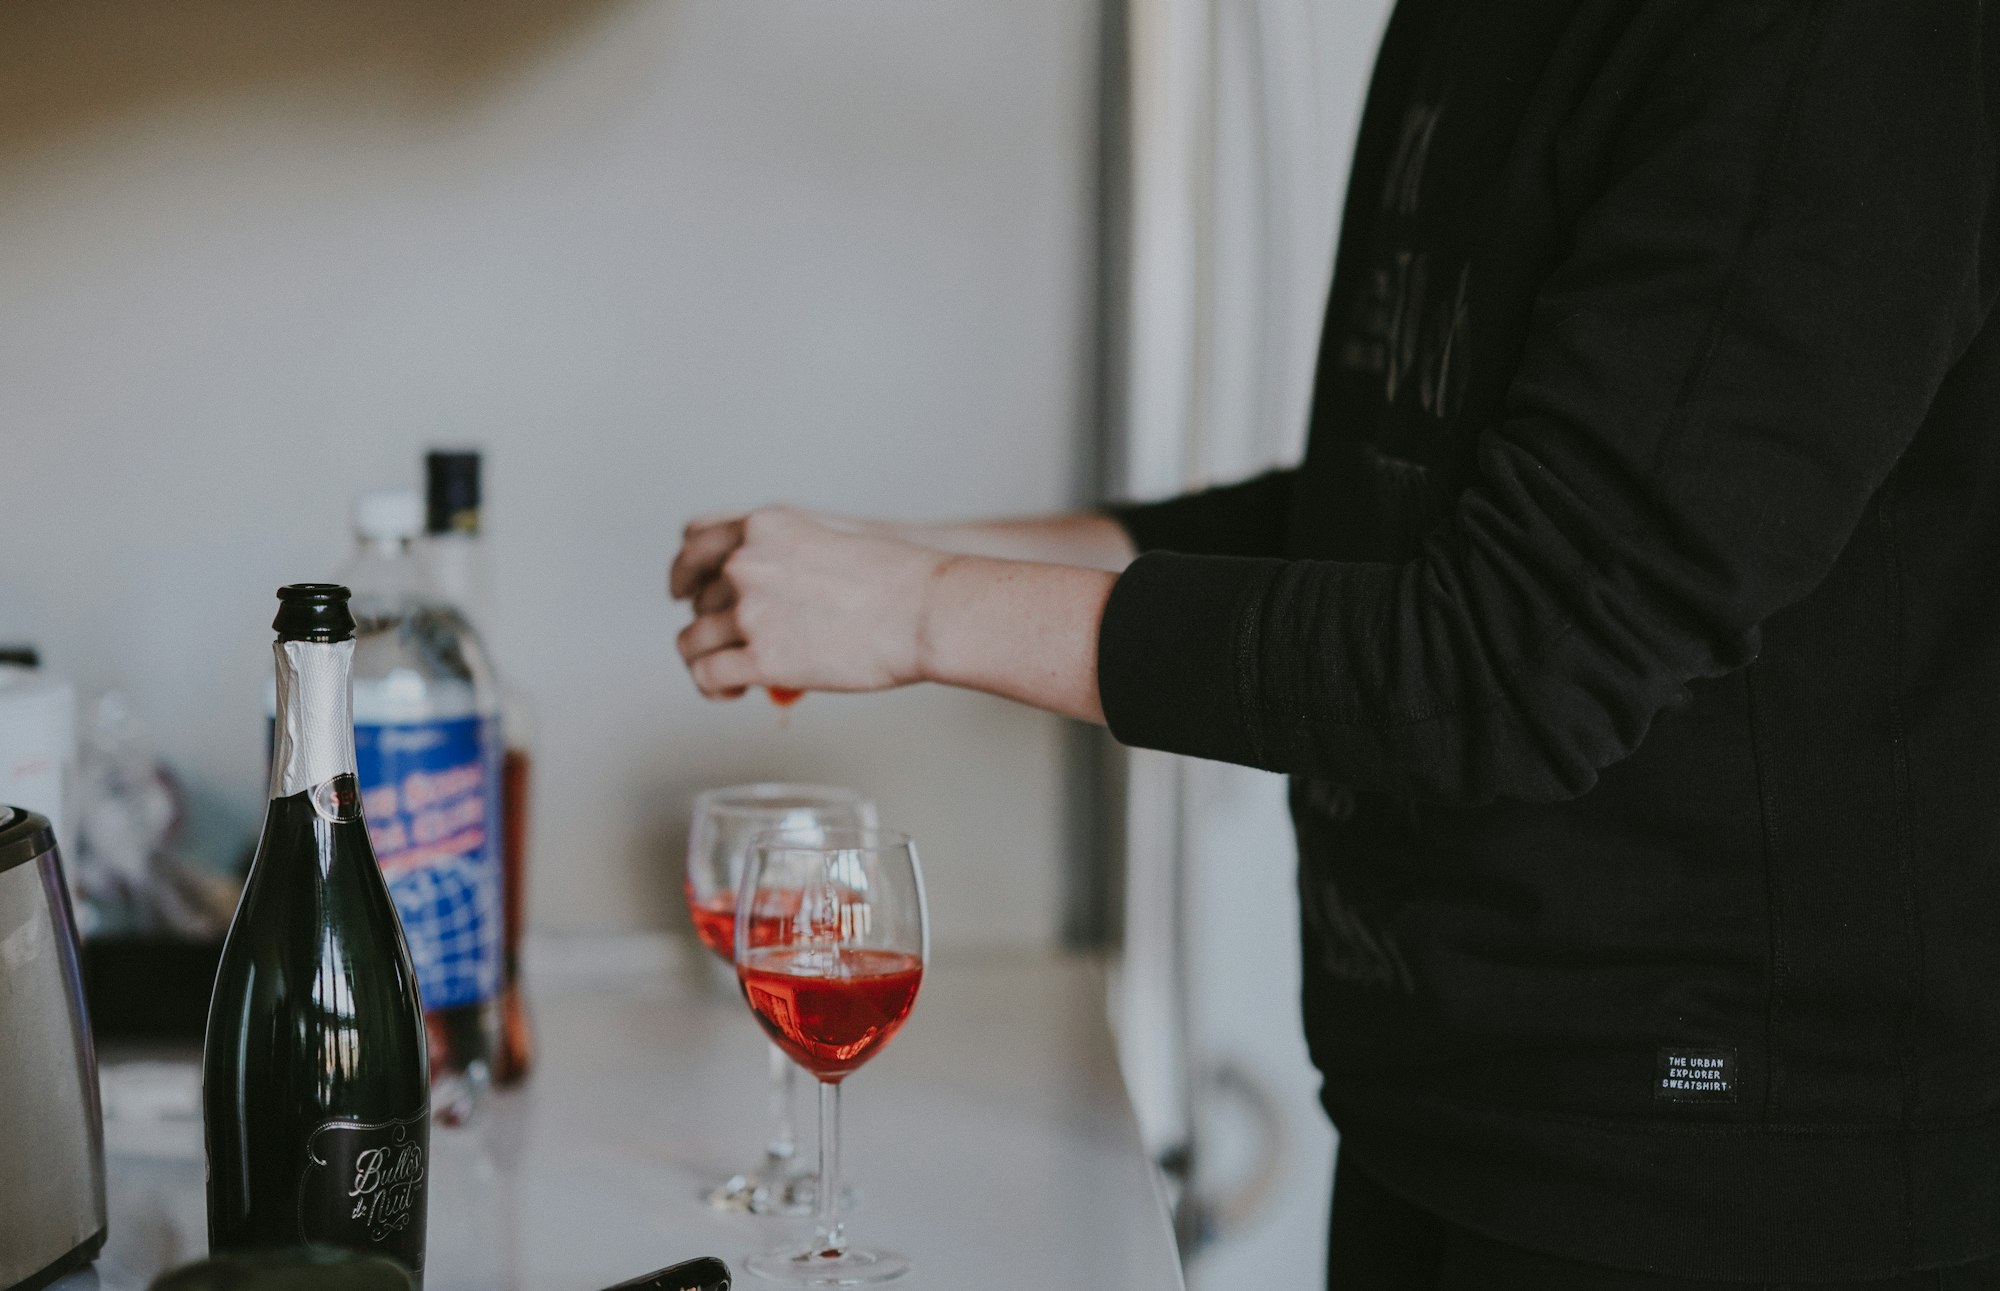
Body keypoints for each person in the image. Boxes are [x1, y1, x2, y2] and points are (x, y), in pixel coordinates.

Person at [671, 2, 2000, 1286]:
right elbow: (1387, 518)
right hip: (1443, 1100)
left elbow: (1515, 654)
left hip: (1731, 1184)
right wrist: (902, 561)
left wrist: (923, 608)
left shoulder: (1836, 36)